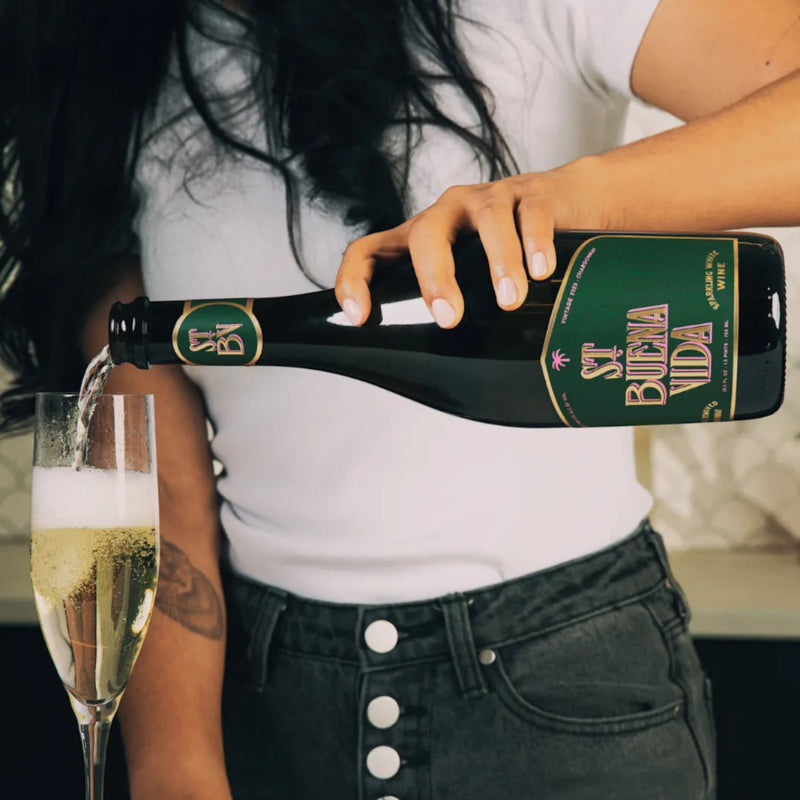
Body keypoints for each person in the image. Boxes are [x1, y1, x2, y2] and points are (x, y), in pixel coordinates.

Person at [1, 0, 798, 797]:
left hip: (566, 696)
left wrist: (562, 199)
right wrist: (177, 766)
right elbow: (153, 474)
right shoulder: (111, 60)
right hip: (265, 706)